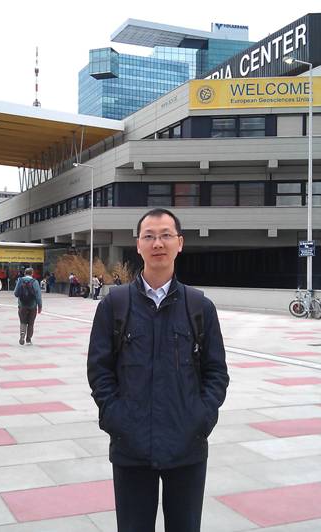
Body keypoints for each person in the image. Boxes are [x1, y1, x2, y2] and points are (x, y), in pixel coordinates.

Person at [87, 208, 229, 532]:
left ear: (180, 243)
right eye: (149, 236)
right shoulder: (114, 305)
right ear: (138, 245)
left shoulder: (199, 307)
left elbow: (216, 373)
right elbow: (99, 370)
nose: (158, 243)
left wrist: (201, 418)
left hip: (187, 446)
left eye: (166, 235)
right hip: (131, 446)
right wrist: (116, 418)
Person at [14, 267, 42, 345]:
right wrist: (40, 306)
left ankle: (22, 335)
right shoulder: (35, 282)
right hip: (32, 306)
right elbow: (38, 296)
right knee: (31, 323)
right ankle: (28, 339)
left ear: (24, 273)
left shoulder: (20, 280)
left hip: (22, 306)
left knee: (23, 322)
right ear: (32, 273)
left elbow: (16, 293)